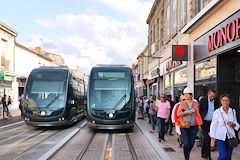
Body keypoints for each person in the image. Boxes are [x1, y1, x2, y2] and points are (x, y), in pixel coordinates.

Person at [210, 94, 239, 160]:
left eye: (227, 100)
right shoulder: (217, 112)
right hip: (220, 137)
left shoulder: (233, 111)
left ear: (229, 102)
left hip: (230, 137)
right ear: (221, 102)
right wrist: (212, 139)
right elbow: (213, 126)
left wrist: (233, 124)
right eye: (223, 100)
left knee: (228, 157)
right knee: (223, 155)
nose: (225, 102)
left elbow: (236, 124)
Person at [177, 87, 203, 160]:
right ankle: (186, 157)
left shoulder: (196, 103)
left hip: (193, 126)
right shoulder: (182, 104)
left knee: (191, 143)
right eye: (185, 94)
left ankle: (187, 152)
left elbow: (197, 115)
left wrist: (199, 125)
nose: (186, 96)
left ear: (191, 95)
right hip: (184, 126)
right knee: (186, 143)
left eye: (187, 94)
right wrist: (186, 112)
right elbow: (178, 114)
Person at [199, 90, 219, 160]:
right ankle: (208, 155)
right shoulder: (203, 100)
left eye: (213, 96)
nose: (212, 97)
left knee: (207, 138)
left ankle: (203, 152)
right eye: (211, 96)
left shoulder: (216, 101)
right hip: (204, 122)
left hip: (213, 122)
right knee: (207, 137)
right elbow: (199, 110)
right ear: (208, 94)